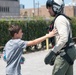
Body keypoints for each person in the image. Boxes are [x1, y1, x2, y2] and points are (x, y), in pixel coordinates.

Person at [45, 0, 76, 75]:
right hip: (68, 51)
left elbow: (63, 39)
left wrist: (52, 52)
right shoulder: (62, 18)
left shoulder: (59, 19)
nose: (48, 10)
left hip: (64, 52)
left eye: (49, 7)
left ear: (56, 7)